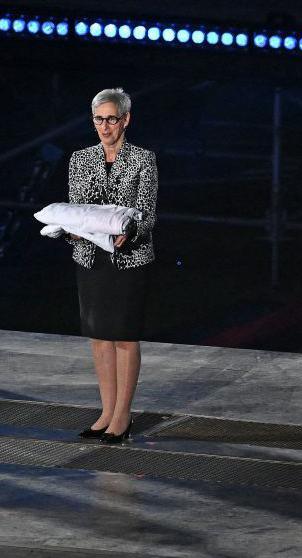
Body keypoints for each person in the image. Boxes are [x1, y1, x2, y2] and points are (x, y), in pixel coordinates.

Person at [69, 88, 158, 444]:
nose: (104, 126)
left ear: (125, 119)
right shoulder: (80, 159)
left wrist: (131, 230)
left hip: (129, 259)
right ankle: (106, 412)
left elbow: (148, 214)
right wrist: (73, 232)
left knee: (123, 335)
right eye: (99, 119)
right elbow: (77, 207)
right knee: (99, 337)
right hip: (90, 257)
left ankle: (123, 415)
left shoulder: (143, 159)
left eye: (111, 119)